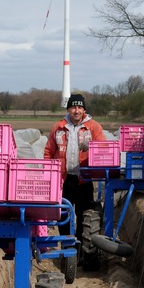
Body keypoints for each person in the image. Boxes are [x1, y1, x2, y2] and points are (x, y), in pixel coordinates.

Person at [44, 93, 107, 243]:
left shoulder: (93, 127)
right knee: (64, 214)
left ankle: (80, 248)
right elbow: (48, 152)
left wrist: (91, 147)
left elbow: (103, 149)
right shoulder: (59, 127)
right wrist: (48, 174)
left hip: (84, 180)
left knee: (84, 215)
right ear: (68, 109)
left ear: (84, 109)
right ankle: (67, 246)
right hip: (64, 180)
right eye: (73, 107)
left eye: (79, 107)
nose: (76, 111)